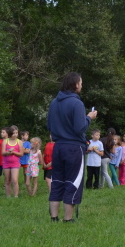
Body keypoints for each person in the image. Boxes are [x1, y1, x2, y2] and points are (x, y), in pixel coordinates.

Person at [47, 72, 98, 222]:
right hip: (74, 148)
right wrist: (89, 117)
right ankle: (68, 219)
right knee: (73, 181)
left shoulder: (54, 102)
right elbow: (79, 128)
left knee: (57, 181)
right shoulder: (77, 103)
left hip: (58, 147)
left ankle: (54, 218)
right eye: (81, 83)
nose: (82, 85)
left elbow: (49, 126)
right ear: (76, 84)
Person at [1, 126, 23, 198]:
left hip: (15, 163)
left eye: (16, 133)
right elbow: (2, 153)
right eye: (14, 133)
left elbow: (21, 154)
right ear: (10, 133)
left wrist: (13, 152)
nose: (15, 134)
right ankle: (8, 196)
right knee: (7, 180)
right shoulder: (5, 141)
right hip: (6, 163)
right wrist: (8, 152)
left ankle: (16, 196)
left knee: (15, 180)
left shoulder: (19, 142)